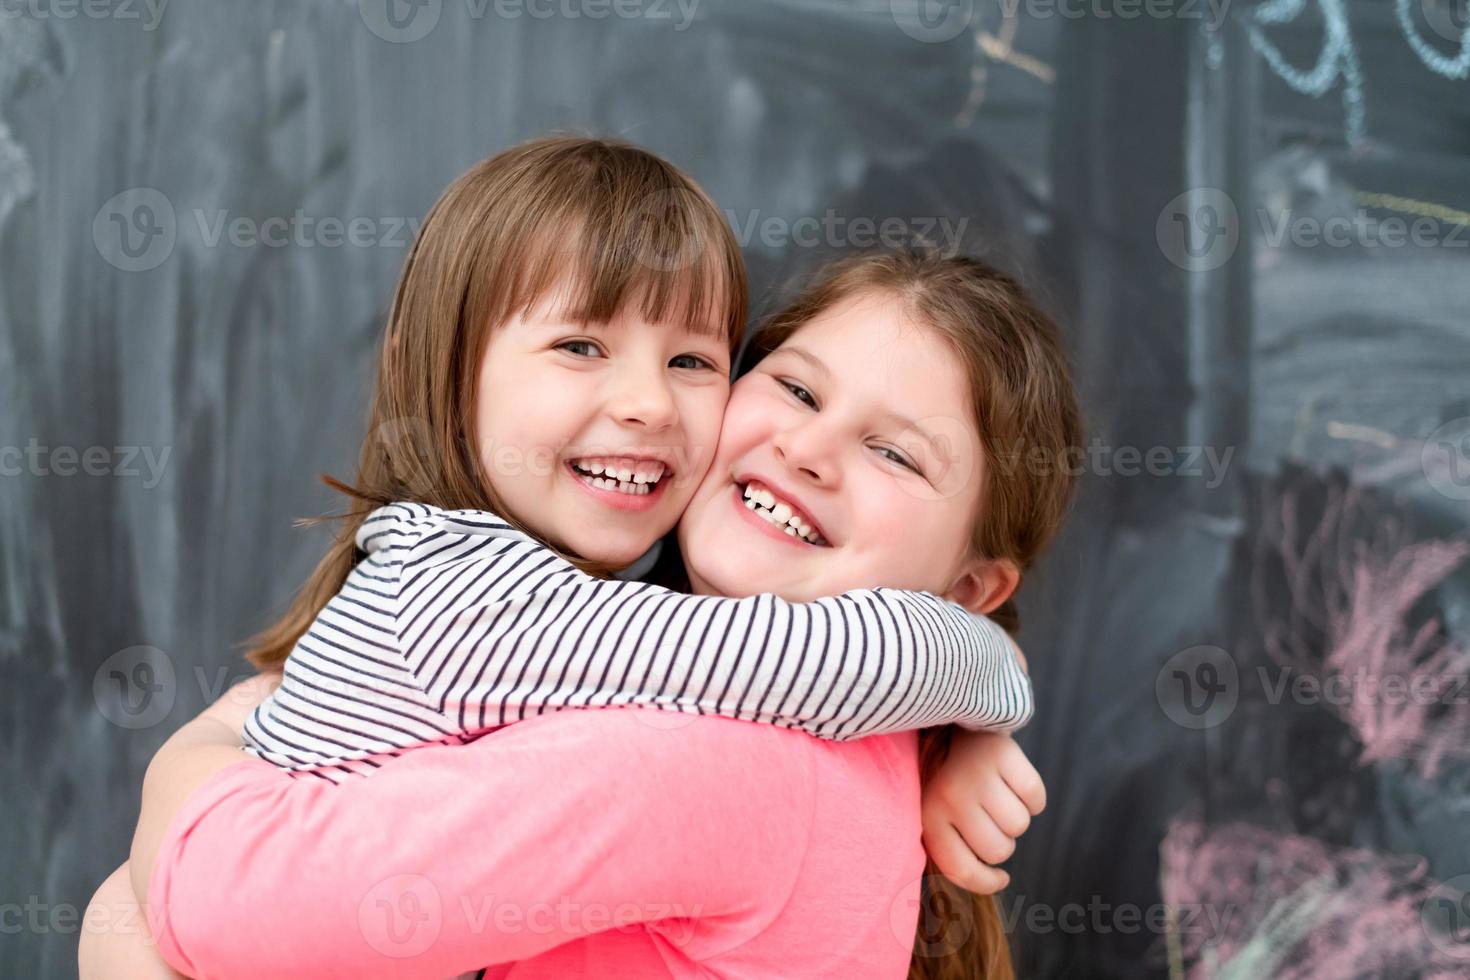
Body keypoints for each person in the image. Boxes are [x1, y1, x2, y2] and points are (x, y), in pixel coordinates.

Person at [82, 247, 1080, 979]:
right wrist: (974, 699)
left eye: (897, 453)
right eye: (793, 386)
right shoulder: (803, 732)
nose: (812, 450)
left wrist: (202, 748)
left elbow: (219, 896)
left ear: (969, 590)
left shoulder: (714, 764)